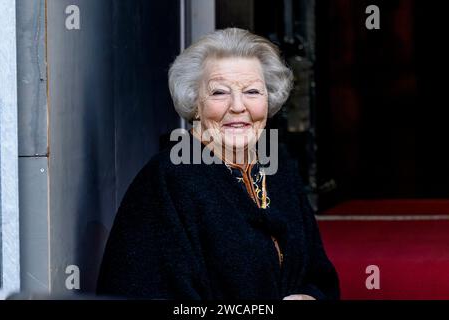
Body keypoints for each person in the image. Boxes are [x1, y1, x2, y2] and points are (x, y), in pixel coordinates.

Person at [97, 28, 339, 300]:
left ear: (268, 100)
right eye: (220, 92)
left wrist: (310, 297)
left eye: (252, 91)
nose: (238, 106)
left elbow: (318, 275)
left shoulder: (277, 166)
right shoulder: (168, 181)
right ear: (195, 102)